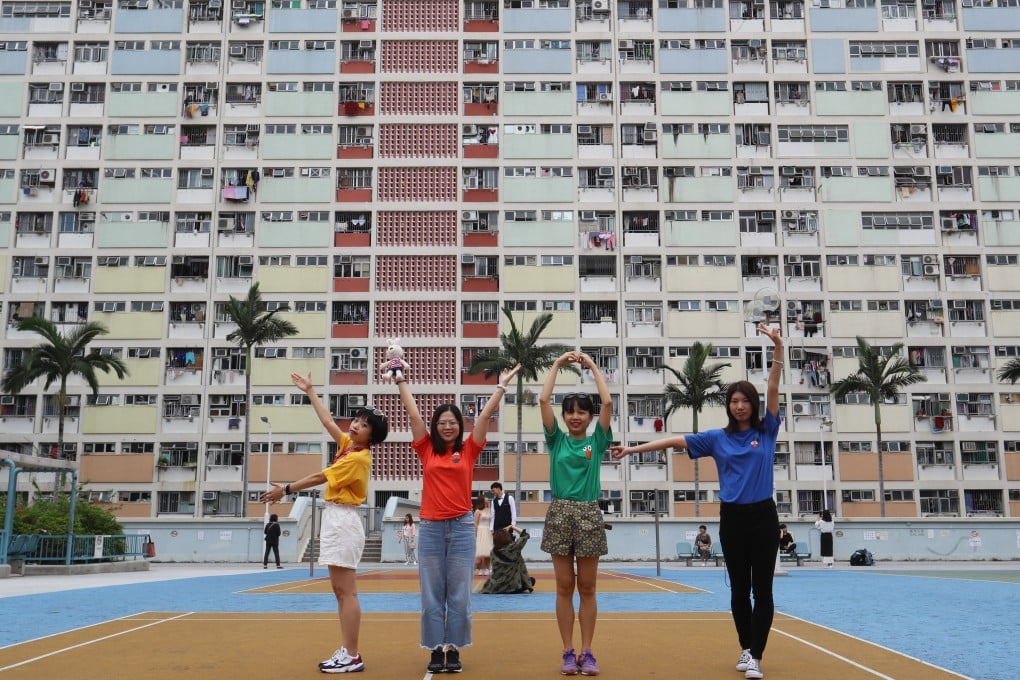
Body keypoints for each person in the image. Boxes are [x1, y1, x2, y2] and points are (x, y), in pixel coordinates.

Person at [611, 323, 784, 680]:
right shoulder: (716, 439)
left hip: (764, 516)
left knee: (762, 589)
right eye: (734, 401)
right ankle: (745, 647)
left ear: (753, 405)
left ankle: (756, 654)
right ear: (728, 406)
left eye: (745, 401)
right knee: (738, 589)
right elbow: (674, 441)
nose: (739, 406)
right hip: (733, 518)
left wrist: (778, 349)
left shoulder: (766, 432)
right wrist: (632, 449)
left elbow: (773, 387)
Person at [395, 363, 521, 675]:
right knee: (432, 594)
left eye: (452, 422)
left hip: (463, 528)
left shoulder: (468, 451)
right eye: (442, 422)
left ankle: (454, 649)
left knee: (460, 595)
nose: (447, 427)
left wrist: (501, 387)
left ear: (458, 426)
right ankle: (437, 649)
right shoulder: (426, 450)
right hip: (432, 529)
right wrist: (401, 382)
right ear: (435, 426)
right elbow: (414, 416)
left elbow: (483, 419)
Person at [260, 372, 388, 675]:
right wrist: (311, 391)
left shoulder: (357, 458)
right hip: (336, 518)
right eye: (357, 419)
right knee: (339, 590)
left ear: (372, 436)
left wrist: (287, 490)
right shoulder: (350, 447)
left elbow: (321, 476)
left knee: (347, 592)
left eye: (365, 424)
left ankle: (353, 655)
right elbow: (330, 424)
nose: (356, 425)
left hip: (343, 520)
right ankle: (347, 651)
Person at [539, 350, 613, 677]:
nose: (575, 417)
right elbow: (543, 401)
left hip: (588, 514)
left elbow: (608, 404)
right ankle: (568, 651)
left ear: (589, 416)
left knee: (588, 587)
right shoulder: (556, 440)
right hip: (559, 513)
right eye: (570, 412)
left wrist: (592, 366)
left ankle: (588, 651)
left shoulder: (597, 441)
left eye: (582, 412)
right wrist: (557, 364)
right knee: (564, 586)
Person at [480, 526, 535, 594]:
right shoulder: (514, 548)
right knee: (531, 581)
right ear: (507, 538)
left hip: (496, 587)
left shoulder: (493, 552)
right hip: (512, 587)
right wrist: (512, 527)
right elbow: (526, 535)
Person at [473, 496, 493, 576]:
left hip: (488, 531)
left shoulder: (489, 510)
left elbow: (492, 521)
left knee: (488, 551)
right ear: (482, 501)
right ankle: (481, 568)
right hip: (481, 531)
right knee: (482, 551)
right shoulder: (477, 511)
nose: (487, 500)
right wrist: (477, 533)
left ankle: (488, 568)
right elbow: (475, 523)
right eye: (486, 499)